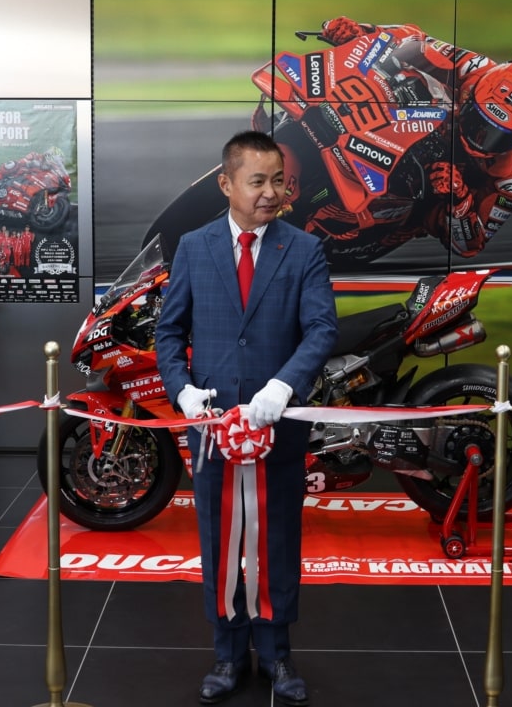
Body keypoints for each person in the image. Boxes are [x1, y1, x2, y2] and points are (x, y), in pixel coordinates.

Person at [156, 130, 338, 706]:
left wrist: (285, 384)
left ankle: (277, 652)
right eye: (257, 181)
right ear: (226, 183)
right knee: (220, 539)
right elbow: (168, 332)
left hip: (276, 427)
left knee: (276, 538)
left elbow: (321, 329)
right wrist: (183, 392)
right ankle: (227, 653)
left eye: (278, 181)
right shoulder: (194, 247)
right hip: (213, 432)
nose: (270, 193)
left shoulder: (303, 249)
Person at [279, 16, 512, 263]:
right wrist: (360, 32)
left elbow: (471, 245)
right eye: (477, 122)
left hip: (429, 192)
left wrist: (460, 199)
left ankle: (312, 234)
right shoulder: (475, 70)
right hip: (423, 126)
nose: (479, 138)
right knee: (402, 78)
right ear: (472, 97)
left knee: (395, 210)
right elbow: (412, 40)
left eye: (496, 137)